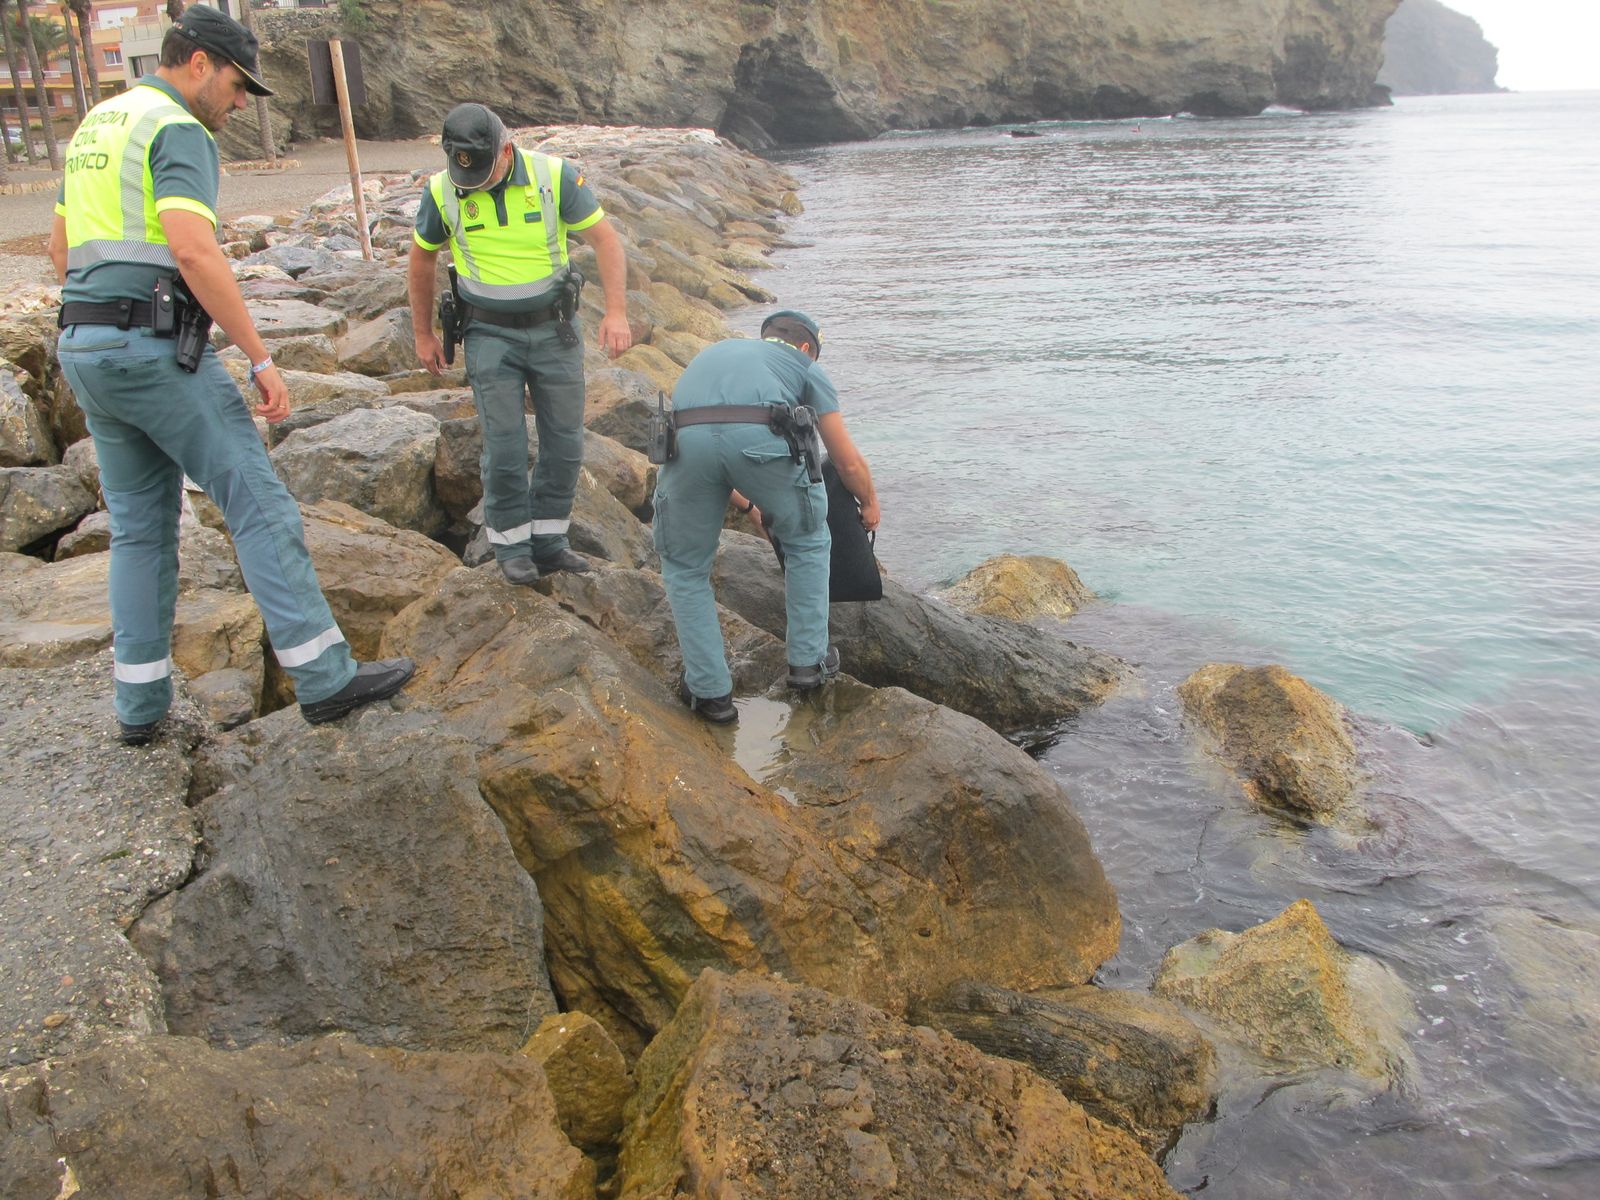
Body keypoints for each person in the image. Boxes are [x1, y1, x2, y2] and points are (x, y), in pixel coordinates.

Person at [47, 6, 413, 745]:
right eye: (238, 84)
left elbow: (61, 249)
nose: (240, 102)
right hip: (148, 349)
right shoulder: (175, 127)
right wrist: (260, 354)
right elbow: (193, 250)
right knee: (259, 503)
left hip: (83, 347)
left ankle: (139, 709)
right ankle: (325, 676)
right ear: (197, 64)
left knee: (140, 532)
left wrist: (105, 318)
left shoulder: (98, 125)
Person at [408, 103, 632, 585]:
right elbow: (422, 259)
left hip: (555, 330)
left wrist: (617, 313)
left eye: (486, 171)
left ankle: (550, 541)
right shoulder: (442, 190)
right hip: (489, 335)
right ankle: (510, 544)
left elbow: (606, 241)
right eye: (466, 172)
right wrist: (423, 333)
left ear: (506, 150)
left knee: (566, 444)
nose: (476, 182)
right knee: (505, 446)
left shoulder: (554, 177)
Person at [654, 311, 879, 723]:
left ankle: (710, 693)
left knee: (685, 568)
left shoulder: (715, 354)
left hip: (686, 445)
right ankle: (809, 664)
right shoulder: (804, 365)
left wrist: (748, 506)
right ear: (807, 347)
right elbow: (846, 462)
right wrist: (869, 503)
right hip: (761, 443)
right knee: (808, 543)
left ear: (765, 337)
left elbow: (713, 439)